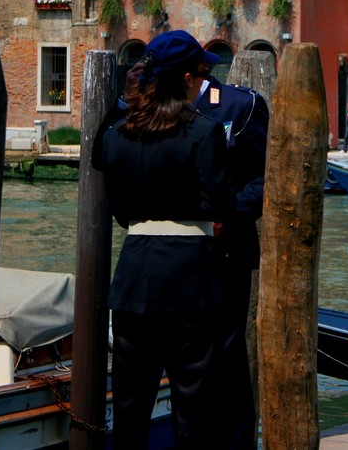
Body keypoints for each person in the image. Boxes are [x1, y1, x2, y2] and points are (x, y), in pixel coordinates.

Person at [95, 30, 236, 447]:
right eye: (199, 74)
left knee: (130, 407)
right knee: (194, 403)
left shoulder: (117, 134)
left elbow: (117, 205)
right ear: (189, 79)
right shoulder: (204, 133)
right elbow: (221, 206)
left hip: (135, 275)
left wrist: (125, 99)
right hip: (191, 278)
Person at [193, 55, 269, 449]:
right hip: (177, 251)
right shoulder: (157, 107)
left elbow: (264, 178)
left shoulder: (239, 105)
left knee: (227, 354)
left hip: (227, 251)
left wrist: (228, 214)